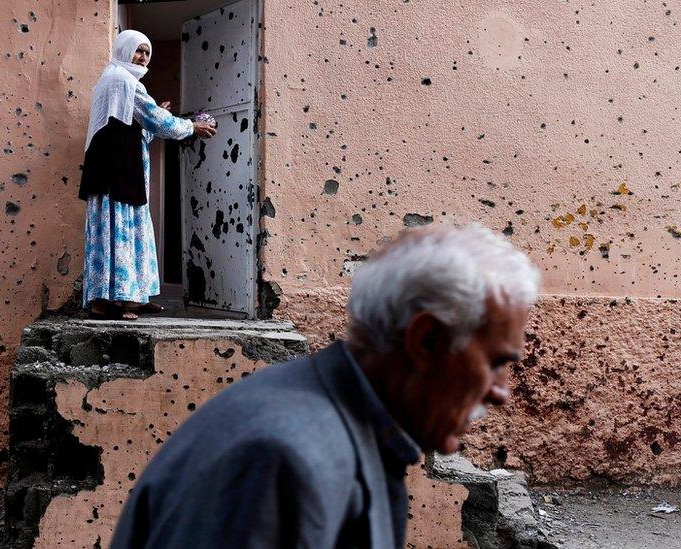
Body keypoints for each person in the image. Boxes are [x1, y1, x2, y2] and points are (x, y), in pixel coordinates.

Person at [110, 223, 541, 548]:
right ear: (425, 340)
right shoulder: (282, 459)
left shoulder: (333, 430)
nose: (501, 391)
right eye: (497, 362)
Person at [79, 30, 217, 320]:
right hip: (117, 171)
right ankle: (116, 301)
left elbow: (131, 128)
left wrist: (154, 114)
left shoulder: (112, 79)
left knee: (115, 228)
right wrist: (192, 127)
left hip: (111, 166)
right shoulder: (125, 81)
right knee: (121, 229)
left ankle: (121, 299)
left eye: (146, 53)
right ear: (124, 49)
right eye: (138, 50)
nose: (142, 57)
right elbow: (157, 121)